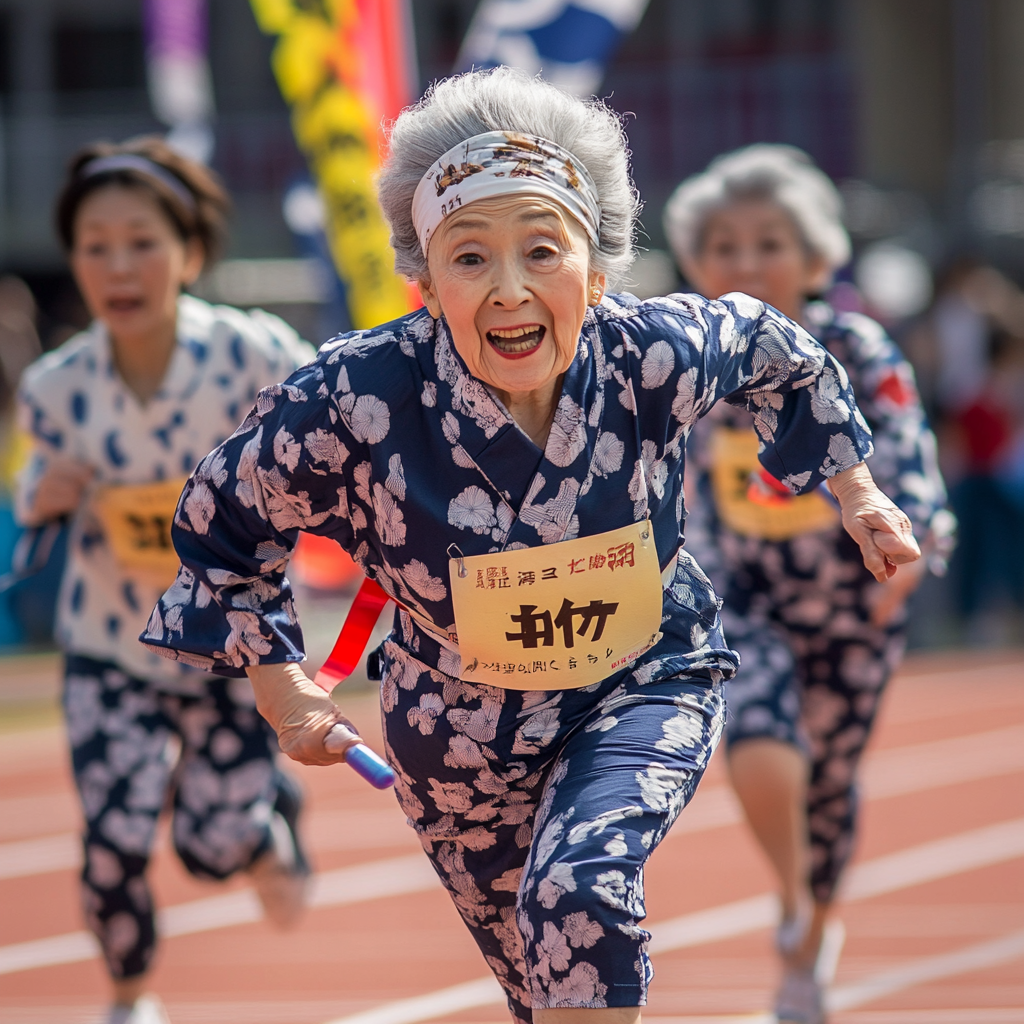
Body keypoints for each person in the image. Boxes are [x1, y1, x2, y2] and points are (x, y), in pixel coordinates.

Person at [142, 70, 920, 1024]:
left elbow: (779, 349)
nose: (510, 292)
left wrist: (856, 488)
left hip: (643, 678)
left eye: (542, 251)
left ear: (595, 270)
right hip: (457, 735)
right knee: (539, 983)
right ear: (423, 281)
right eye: (469, 259)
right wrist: (284, 684)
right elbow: (224, 523)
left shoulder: (650, 351)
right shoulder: (354, 397)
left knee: (579, 894)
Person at [15, 138, 316, 1024]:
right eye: (95, 245)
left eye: (142, 242)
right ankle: (129, 999)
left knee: (211, 851)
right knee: (111, 841)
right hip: (109, 647)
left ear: (189, 251)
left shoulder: (256, 355)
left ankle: (262, 828)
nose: (119, 266)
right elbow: (27, 529)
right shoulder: (55, 389)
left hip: (229, 650)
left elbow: (334, 441)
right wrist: (45, 498)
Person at [663, 144, 953, 1023]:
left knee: (829, 780)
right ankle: (790, 896)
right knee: (755, 730)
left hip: (853, 602)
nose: (745, 263)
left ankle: (810, 920)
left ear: (818, 255)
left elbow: (906, 457)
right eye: (724, 244)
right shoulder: (687, 355)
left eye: (769, 243)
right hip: (737, 594)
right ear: (692, 257)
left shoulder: (856, 347)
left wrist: (912, 546)